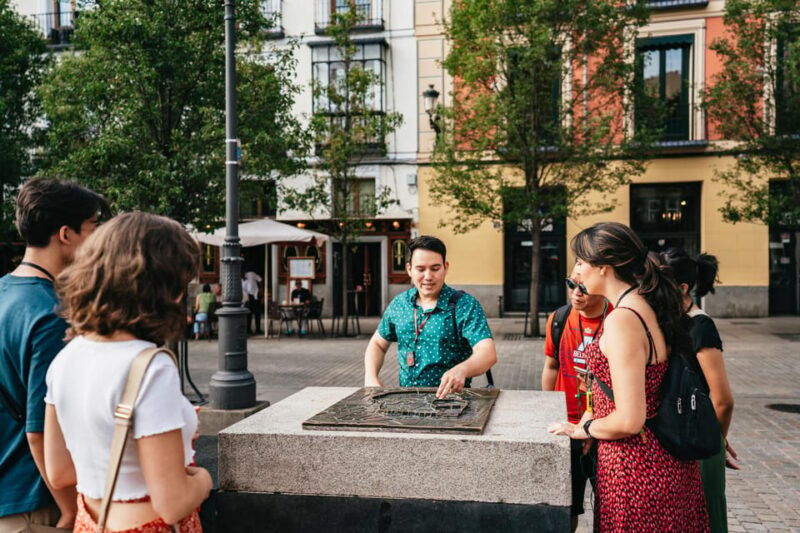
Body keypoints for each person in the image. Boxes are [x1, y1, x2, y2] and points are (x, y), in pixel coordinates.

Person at [43, 212, 211, 532]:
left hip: (91, 520)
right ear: (161, 287)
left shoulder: (66, 358)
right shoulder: (151, 367)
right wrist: (203, 480)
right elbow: (172, 503)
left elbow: (59, 472)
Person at [548, 222, 709, 532]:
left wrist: (584, 429)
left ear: (604, 267)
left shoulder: (623, 318)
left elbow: (629, 420)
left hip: (635, 469)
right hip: (664, 462)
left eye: (580, 261)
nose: (576, 272)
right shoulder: (646, 303)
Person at [0, 178, 108, 532]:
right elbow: (41, 431)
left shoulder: (4, 292)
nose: (96, 239)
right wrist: (69, 510)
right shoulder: (50, 314)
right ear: (66, 233)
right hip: (35, 501)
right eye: (92, 227)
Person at [364, 235, 497, 399]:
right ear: (409, 269)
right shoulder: (399, 304)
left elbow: (487, 353)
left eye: (435, 269)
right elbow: (377, 343)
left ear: (445, 268)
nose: (428, 276)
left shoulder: (465, 305)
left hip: (451, 403)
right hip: (405, 402)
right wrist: (371, 377)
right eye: (420, 269)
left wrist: (462, 370)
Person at [662, 248, 737, 533]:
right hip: (676, 440)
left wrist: (715, 441)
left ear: (682, 288)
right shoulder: (668, 322)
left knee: (708, 516)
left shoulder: (700, 325)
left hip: (698, 442)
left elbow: (723, 400)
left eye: (660, 283)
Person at [542, 269, 612, 532]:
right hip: (567, 427)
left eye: (584, 287)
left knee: (610, 507)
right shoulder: (559, 319)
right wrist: (549, 411)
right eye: (571, 284)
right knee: (566, 507)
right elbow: (551, 367)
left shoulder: (617, 320)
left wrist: (592, 426)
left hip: (605, 429)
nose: (576, 293)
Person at [243, 270, 263, 334]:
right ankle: (249, 330)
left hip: (256, 296)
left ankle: (258, 329)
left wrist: (261, 289)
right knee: (249, 314)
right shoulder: (240, 280)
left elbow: (260, 280)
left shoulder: (251, 274)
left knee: (257, 314)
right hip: (247, 298)